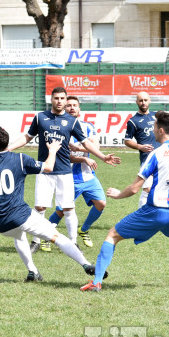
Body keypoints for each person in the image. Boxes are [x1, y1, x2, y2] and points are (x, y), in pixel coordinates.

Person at [0, 125, 107, 282]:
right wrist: (52, 150)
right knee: (56, 236)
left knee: (19, 235)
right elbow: (49, 167)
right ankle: (85, 264)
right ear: (8, 142)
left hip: (0, 223)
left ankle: (33, 271)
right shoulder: (20, 159)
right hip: (21, 215)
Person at [80, 111, 169, 292]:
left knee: (112, 235)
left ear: (161, 130)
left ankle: (96, 282)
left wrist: (118, 195)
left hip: (157, 211)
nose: (153, 130)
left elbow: (134, 189)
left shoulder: (157, 153)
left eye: (155, 127)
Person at [8, 87, 120, 253]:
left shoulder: (72, 121)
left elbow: (87, 143)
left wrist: (103, 157)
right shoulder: (40, 117)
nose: (59, 101)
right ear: (51, 100)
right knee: (40, 208)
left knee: (68, 209)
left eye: (62, 98)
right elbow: (27, 137)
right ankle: (36, 241)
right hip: (44, 170)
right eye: (56, 98)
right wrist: (8, 148)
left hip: (64, 171)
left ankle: (73, 243)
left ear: (65, 100)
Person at [47, 96, 107, 248]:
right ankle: (44, 236)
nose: (72, 108)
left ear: (79, 108)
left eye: (75, 105)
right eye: (69, 106)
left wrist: (78, 148)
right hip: (68, 177)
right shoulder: (59, 127)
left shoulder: (88, 126)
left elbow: (96, 148)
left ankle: (84, 229)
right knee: (61, 211)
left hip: (88, 176)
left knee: (101, 203)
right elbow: (64, 156)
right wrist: (83, 158)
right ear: (64, 108)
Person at [124, 91, 161, 208]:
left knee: (161, 190)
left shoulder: (157, 117)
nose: (143, 103)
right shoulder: (133, 121)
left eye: (145, 100)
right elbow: (127, 140)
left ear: (149, 100)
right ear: (136, 102)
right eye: (141, 100)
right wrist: (140, 147)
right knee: (147, 189)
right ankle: (141, 216)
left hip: (162, 158)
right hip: (147, 160)